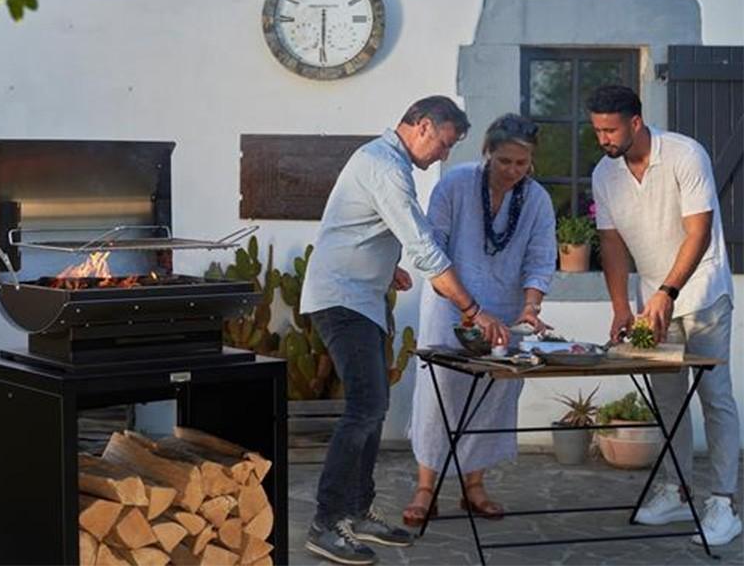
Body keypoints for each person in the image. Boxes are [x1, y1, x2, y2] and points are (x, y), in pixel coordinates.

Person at [300, 96, 511, 566]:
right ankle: (326, 523)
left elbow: (359, 226)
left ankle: (357, 511)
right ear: (422, 126)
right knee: (365, 408)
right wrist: (473, 310)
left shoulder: (386, 160)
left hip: (362, 297)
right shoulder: (384, 166)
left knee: (373, 410)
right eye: (444, 143)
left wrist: (384, 265)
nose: (444, 154)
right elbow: (424, 247)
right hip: (343, 300)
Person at [588, 84, 741, 547]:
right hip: (653, 302)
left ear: (635, 122)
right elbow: (611, 243)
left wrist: (668, 291)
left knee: (714, 395)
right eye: (597, 130)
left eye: (610, 130)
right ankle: (676, 492)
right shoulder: (604, 173)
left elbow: (699, 232)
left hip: (702, 292)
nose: (603, 139)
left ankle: (724, 503)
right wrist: (621, 306)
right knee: (669, 401)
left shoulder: (685, 154)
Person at [405, 114, 556, 525]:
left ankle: (474, 485)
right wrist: (467, 306)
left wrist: (531, 307)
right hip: (451, 305)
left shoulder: (537, 200)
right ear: (487, 153)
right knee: (440, 393)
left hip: (506, 312)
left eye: (521, 163)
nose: (513, 171)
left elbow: (541, 258)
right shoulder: (455, 184)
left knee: (493, 396)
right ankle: (426, 488)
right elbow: (433, 249)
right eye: (504, 161)